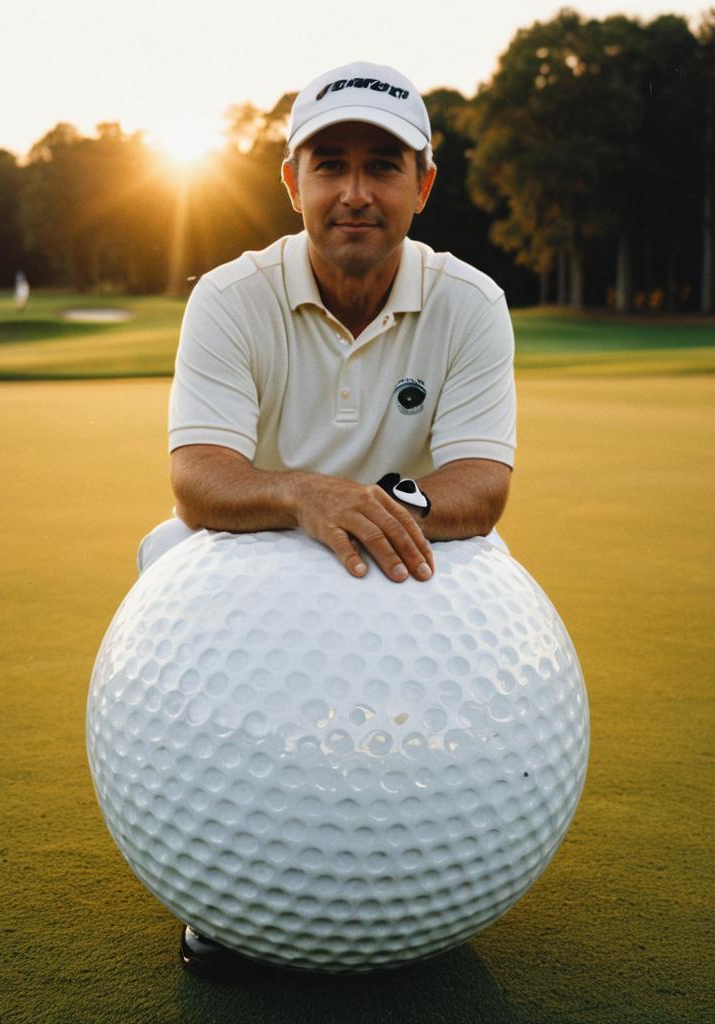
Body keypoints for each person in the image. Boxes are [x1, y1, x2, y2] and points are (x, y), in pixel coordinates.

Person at [139, 60, 517, 971]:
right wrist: (304, 493)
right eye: (330, 163)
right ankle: (219, 885)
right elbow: (199, 479)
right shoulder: (230, 297)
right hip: (249, 571)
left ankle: (437, 873)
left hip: (410, 564)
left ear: (422, 186)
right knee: (162, 550)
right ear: (291, 182)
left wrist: (382, 505)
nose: (356, 191)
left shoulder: (469, 303)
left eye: (384, 166)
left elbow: (480, 486)